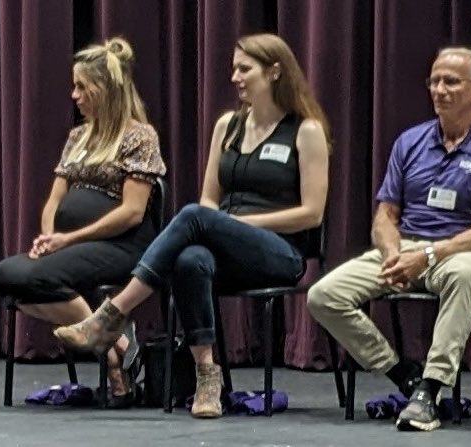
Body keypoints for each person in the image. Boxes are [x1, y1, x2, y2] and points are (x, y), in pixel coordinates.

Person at [53, 33, 331, 419]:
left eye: (244, 69)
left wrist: (235, 222)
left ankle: (111, 314)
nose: (234, 76)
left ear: (275, 72)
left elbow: (312, 213)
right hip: (223, 245)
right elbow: (209, 199)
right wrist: (218, 222)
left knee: (194, 217)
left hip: (280, 251)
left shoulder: (306, 130)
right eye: (233, 68)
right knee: (190, 260)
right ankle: (206, 375)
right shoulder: (227, 127)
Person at [307, 47, 471, 432]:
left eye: (451, 81)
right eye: (434, 81)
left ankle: (431, 389)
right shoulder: (410, 142)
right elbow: (385, 215)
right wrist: (392, 255)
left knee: (466, 274)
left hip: (459, 251)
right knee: (323, 295)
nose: (439, 89)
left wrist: (426, 255)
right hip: (403, 248)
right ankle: (402, 374)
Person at [0, 37, 167, 407]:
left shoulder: (140, 136)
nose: (74, 95)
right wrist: (50, 235)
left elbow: (133, 212)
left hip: (124, 245)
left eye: (82, 87)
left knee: (40, 279)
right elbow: (56, 197)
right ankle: (117, 342)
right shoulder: (77, 137)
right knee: (6, 276)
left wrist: (68, 240)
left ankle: (111, 356)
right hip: (72, 245)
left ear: (105, 90)